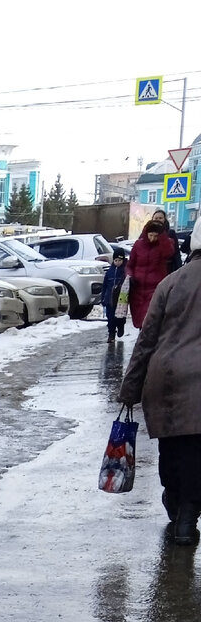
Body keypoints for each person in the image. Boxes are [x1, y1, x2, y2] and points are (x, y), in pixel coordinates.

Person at [119, 230, 201, 546]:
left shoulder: (171, 283)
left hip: (166, 377)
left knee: (172, 445)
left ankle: (175, 499)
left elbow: (146, 339)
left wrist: (130, 389)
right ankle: (187, 518)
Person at [125, 220, 176, 329]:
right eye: (150, 235)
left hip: (155, 288)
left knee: (149, 318)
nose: (152, 238)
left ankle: (146, 340)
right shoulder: (138, 245)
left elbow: (169, 253)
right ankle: (143, 336)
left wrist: (162, 237)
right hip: (137, 289)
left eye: (156, 236)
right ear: (146, 233)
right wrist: (130, 276)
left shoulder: (166, 243)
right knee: (138, 318)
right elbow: (130, 265)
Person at [101, 248, 127, 343]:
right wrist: (103, 297)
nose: (117, 262)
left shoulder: (125, 271)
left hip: (121, 299)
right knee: (110, 317)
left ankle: (121, 326)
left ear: (123, 260)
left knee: (120, 317)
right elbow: (104, 285)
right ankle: (111, 333)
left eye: (119, 260)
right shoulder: (110, 271)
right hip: (110, 299)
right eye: (115, 260)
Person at [152, 209, 183, 273]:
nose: (158, 219)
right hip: (152, 268)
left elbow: (176, 252)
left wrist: (179, 269)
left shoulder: (170, 233)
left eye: (160, 218)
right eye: (156, 218)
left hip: (167, 268)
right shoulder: (147, 232)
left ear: (164, 220)